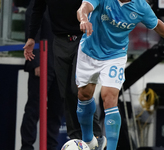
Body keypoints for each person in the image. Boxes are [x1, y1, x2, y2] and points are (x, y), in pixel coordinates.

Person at [74, 0, 164, 150]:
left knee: (109, 96)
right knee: (84, 95)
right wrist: (84, 19)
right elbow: (83, 7)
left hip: (114, 56)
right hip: (89, 52)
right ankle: (89, 141)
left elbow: (157, 24)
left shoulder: (140, 6)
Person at [23, 0, 106, 150]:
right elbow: (36, 10)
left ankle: (96, 136)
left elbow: (97, 6)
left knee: (79, 90)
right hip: (59, 41)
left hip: (84, 39)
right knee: (66, 94)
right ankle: (76, 139)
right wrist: (31, 38)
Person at [20, 1, 64, 150]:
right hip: (43, 65)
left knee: (56, 110)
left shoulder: (66, 6)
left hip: (61, 65)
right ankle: (27, 146)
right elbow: (32, 32)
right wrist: (37, 62)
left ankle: (51, 146)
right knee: (34, 109)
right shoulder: (37, 5)